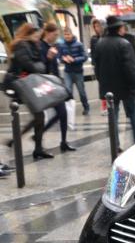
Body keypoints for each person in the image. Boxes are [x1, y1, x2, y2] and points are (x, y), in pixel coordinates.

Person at [21, 22, 75, 152]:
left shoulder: (51, 46)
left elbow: (53, 67)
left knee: (61, 113)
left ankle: (62, 142)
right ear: (48, 33)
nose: (56, 37)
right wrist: (49, 58)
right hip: (45, 85)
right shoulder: (40, 47)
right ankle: (35, 143)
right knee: (41, 117)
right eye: (55, 34)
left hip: (53, 84)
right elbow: (40, 68)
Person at [94, 15, 135, 151]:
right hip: (126, 88)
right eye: (122, 27)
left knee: (113, 118)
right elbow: (131, 68)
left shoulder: (100, 44)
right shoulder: (124, 44)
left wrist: (102, 82)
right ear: (119, 29)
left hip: (109, 89)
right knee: (133, 116)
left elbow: (96, 68)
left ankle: (115, 146)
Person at [7, 23, 53, 159]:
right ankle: (34, 147)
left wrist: (46, 60)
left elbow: (40, 65)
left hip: (30, 84)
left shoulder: (32, 45)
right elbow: (29, 65)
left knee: (39, 116)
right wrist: (41, 66)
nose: (38, 36)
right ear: (28, 34)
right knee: (39, 116)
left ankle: (25, 143)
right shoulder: (22, 45)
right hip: (23, 85)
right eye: (36, 34)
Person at [59, 28, 90, 115]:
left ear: (72, 34)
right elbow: (59, 57)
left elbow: (85, 56)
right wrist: (63, 59)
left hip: (78, 72)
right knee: (68, 91)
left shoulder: (79, 44)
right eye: (65, 35)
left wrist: (74, 59)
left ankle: (86, 107)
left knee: (81, 92)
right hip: (67, 71)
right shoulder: (62, 45)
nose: (67, 36)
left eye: (68, 34)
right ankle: (70, 109)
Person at [90, 18, 108, 116]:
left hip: (109, 64)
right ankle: (104, 106)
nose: (97, 28)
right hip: (99, 66)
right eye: (95, 26)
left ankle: (111, 105)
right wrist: (94, 65)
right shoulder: (94, 39)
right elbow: (93, 54)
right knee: (102, 87)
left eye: (98, 26)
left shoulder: (108, 37)